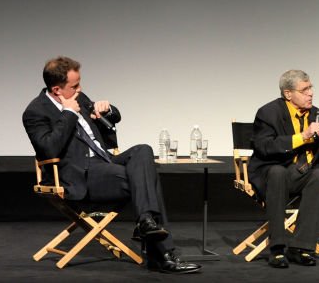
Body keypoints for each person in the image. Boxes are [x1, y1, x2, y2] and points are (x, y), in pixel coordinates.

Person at [21, 56, 200, 275]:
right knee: (145, 180)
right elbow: (49, 149)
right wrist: (68, 113)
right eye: (75, 85)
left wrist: (107, 110)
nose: (81, 89)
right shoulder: (36, 111)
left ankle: (145, 221)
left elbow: (114, 118)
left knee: (143, 150)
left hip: (104, 161)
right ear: (57, 89)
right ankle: (162, 254)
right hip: (79, 173)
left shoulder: (80, 97)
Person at [247, 69, 319, 268]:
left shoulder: (318, 114)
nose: (311, 93)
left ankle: (301, 247)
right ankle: (277, 248)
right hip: (273, 173)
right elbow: (264, 147)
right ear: (288, 94)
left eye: (311, 87)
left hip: (303, 174)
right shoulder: (268, 113)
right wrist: (302, 136)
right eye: (304, 90)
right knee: (277, 172)